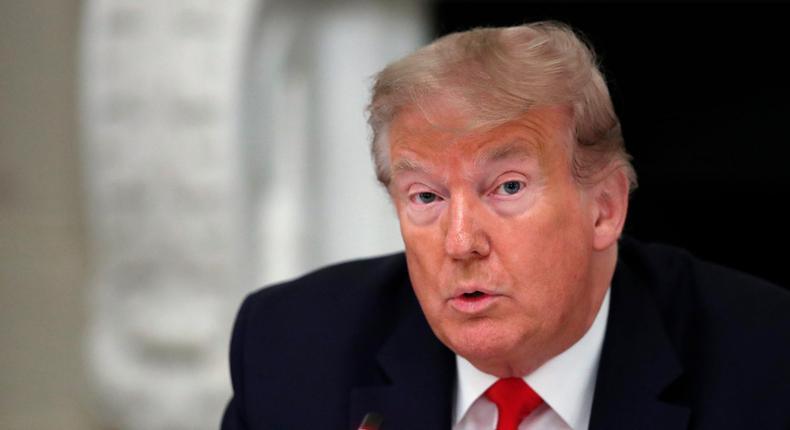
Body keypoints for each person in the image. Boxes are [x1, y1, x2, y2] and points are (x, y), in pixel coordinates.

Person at [221, 21, 790, 430]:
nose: (461, 241)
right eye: (426, 196)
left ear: (606, 207)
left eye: (508, 187)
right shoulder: (289, 350)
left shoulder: (765, 360)